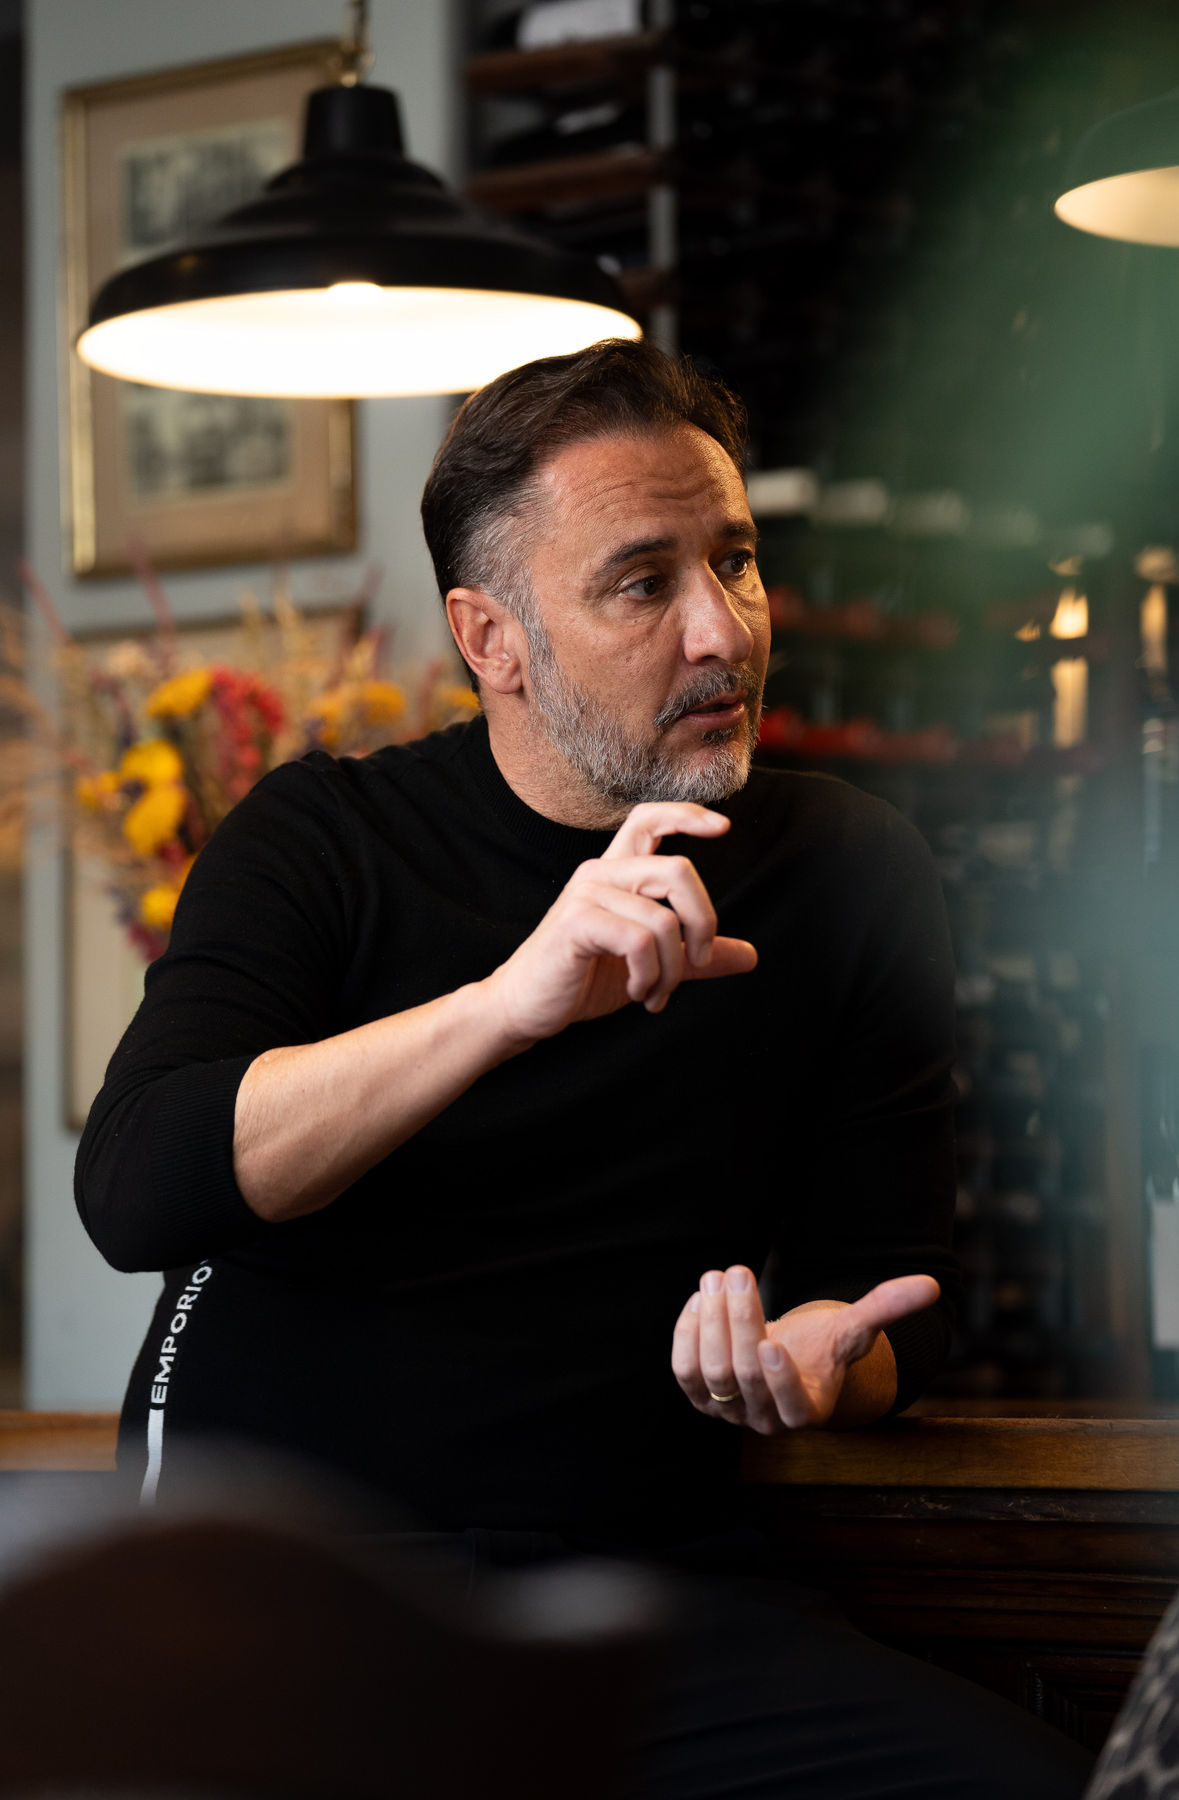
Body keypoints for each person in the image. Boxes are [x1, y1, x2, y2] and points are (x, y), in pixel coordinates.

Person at [76, 339, 1089, 1798]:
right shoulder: (324, 839)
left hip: (646, 1596)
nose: (720, 631)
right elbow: (138, 1188)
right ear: (490, 637)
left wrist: (824, 1363)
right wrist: (508, 1004)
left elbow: (891, 1290)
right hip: (300, 1588)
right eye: (641, 584)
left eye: (734, 562)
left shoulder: (848, 869)